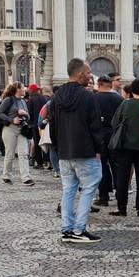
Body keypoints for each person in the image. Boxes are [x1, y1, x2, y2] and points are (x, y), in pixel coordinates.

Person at [49, 58, 104, 243]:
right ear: (80, 74)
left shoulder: (57, 96)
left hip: (65, 151)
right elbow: (95, 126)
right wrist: (98, 149)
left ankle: (67, 229)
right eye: (88, 73)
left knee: (68, 190)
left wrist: (58, 147)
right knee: (88, 189)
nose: (90, 77)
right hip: (86, 151)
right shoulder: (87, 96)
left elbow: (52, 125)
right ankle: (79, 230)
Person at [110, 79, 139, 217]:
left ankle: (121, 208)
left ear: (132, 91)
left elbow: (114, 122)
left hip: (125, 145)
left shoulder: (125, 104)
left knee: (123, 176)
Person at [0, 82, 34, 185]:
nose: (25, 89)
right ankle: (6, 175)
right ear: (17, 89)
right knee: (10, 154)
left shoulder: (23, 101)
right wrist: (12, 120)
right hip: (10, 129)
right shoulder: (8, 100)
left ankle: (26, 178)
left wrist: (25, 113)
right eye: (23, 87)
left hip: (22, 129)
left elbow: (28, 117)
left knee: (24, 153)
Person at [94, 73, 123, 206]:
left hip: (99, 135)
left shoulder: (94, 98)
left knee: (101, 166)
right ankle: (120, 195)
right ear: (110, 84)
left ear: (99, 84)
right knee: (117, 166)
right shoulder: (119, 98)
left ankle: (103, 196)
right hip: (116, 134)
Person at [27, 84, 48, 168]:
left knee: (37, 143)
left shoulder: (31, 99)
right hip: (43, 124)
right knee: (44, 142)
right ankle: (46, 161)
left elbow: (29, 113)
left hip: (34, 125)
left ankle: (39, 162)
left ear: (32, 90)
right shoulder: (44, 98)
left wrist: (29, 123)